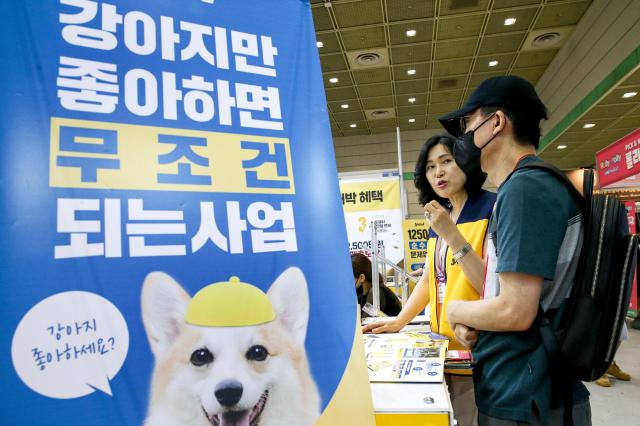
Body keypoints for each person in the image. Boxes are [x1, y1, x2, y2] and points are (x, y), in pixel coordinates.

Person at [440, 75, 591, 425]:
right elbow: (511, 297)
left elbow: (516, 311)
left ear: (497, 123)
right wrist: (473, 320)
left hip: (526, 397)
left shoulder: (526, 190)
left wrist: (456, 309)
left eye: (468, 124)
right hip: (528, 389)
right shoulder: (531, 186)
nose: (462, 138)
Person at [363, 133, 496, 426]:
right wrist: (400, 321)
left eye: (446, 161)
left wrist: (452, 234)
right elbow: (428, 279)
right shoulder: (441, 216)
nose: (438, 172)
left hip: (478, 345)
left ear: (467, 162)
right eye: (430, 166)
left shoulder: (491, 208)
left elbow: (492, 286)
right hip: (443, 346)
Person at [351, 252, 402, 317]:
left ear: (361, 278)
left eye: (350, 278)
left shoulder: (375, 292)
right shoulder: (361, 292)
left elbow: (366, 321)